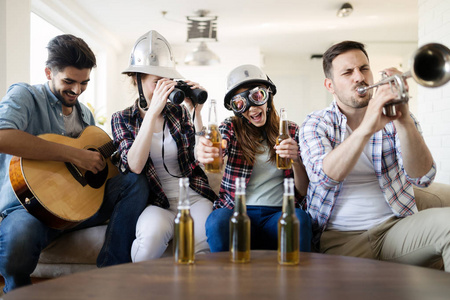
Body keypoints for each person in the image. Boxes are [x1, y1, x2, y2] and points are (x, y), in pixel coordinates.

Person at [0, 34, 149, 294]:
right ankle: (17, 292)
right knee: (19, 237)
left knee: (134, 182)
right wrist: (73, 155)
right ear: (49, 72)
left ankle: (113, 272)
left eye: (84, 83)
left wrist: (100, 164)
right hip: (29, 209)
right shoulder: (25, 95)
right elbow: (3, 136)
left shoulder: (86, 115)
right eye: (68, 81)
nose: (77, 90)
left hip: (77, 211)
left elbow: (95, 168)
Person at [300, 40, 450, 270]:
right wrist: (366, 127)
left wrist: (404, 119)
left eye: (364, 68)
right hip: (342, 239)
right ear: (330, 85)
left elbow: (423, 178)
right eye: (348, 72)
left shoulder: (396, 118)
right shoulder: (315, 123)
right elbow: (324, 178)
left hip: (396, 229)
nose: (359, 77)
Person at [111, 30, 217, 262]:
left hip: (193, 196)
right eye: (156, 83)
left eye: (165, 83)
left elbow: (202, 157)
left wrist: (196, 112)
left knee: (202, 247)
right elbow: (135, 166)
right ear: (138, 81)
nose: (163, 90)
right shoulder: (122, 118)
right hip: (158, 201)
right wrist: (151, 114)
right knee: (147, 244)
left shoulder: (178, 113)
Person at [196, 64, 312, 252]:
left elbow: (304, 189)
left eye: (257, 97)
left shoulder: (290, 131)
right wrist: (206, 151)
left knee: (299, 220)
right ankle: (226, 279)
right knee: (217, 221)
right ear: (235, 109)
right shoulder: (231, 128)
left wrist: (296, 159)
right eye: (240, 104)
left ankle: (296, 280)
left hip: (278, 215)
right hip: (237, 212)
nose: (251, 108)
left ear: (268, 96)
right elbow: (216, 143)